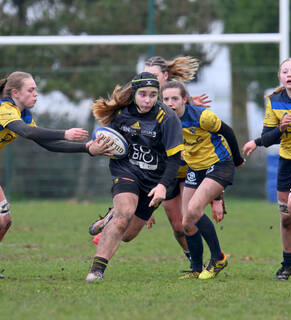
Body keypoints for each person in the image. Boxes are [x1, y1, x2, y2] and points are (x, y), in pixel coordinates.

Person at [89, 56, 225, 270]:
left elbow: (209, 146)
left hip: (181, 166)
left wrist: (217, 197)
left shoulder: (178, 103)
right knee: (170, 224)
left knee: (184, 222)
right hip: (158, 172)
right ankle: (117, 217)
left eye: (153, 77)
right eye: (145, 76)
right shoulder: (136, 106)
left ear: (165, 77)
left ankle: (199, 262)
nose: (148, 81)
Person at [0, 71, 113, 279]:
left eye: (36, 89)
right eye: (31, 90)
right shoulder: (5, 109)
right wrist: (65, 133)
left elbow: (47, 144)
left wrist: (86, 149)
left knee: (4, 221)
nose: (36, 94)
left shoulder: (23, 113)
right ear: (15, 92)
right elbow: (28, 132)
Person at [86, 72, 184, 282]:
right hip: (126, 171)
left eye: (152, 94)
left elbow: (175, 160)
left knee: (128, 235)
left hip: (154, 182)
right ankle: (96, 271)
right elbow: (105, 138)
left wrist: (162, 187)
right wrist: (96, 147)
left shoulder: (167, 118)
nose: (148, 100)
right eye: (143, 94)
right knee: (124, 214)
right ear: (134, 94)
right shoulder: (122, 114)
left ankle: (110, 216)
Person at [161, 81, 244, 279]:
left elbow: (228, 132)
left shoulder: (202, 116)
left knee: (194, 209)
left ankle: (218, 258)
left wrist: (238, 159)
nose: (170, 103)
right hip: (195, 168)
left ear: (184, 100)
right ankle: (196, 269)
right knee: (186, 222)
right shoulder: (164, 120)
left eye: (175, 98)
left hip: (219, 164)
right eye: (166, 99)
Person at [242, 57, 291, 280]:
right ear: (280, 77)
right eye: (284, 71)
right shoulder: (274, 101)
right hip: (287, 161)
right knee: (287, 217)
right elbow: (268, 137)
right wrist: (279, 129)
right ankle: (290, 263)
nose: (288, 74)